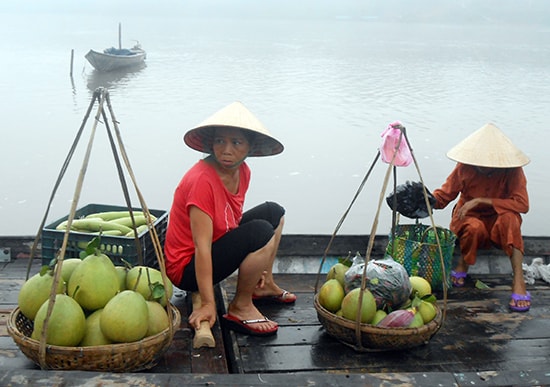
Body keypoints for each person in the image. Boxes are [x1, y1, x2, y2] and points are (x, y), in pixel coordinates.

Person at [164, 101, 296, 337]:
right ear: (211, 143)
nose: (226, 150)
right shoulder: (201, 181)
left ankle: (263, 287)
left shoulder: (243, 171)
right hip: (187, 268)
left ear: (249, 147)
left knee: (274, 212)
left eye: (236, 143)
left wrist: (257, 264)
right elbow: (202, 248)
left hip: (216, 245)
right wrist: (207, 303)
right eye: (220, 141)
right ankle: (241, 307)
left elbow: (230, 220)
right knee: (260, 232)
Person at [432, 123, 531, 312]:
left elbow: (522, 205)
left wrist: (481, 200)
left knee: (511, 219)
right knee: (474, 226)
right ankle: (463, 263)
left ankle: (518, 280)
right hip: (468, 220)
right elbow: (443, 196)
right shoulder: (465, 167)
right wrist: (426, 199)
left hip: (497, 224)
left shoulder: (512, 170)